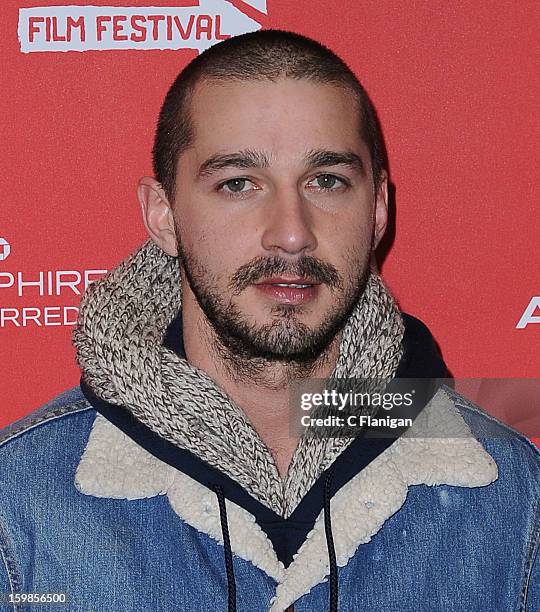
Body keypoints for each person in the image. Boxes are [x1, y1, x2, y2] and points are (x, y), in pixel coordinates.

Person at [1, 29, 538, 612]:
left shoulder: (516, 500)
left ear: (378, 209)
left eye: (326, 181)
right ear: (162, 214)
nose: (291, 232)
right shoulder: (17, 504)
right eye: (238, 184)